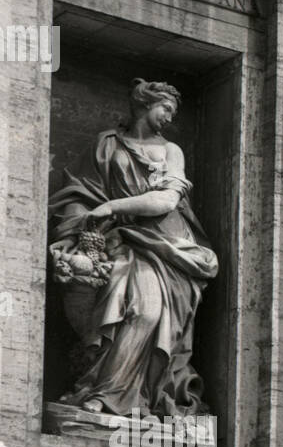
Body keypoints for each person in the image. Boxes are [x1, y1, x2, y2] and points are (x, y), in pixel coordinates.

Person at [49, 78, 218, 417]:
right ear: (144, 104)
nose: (169, 117)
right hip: (120, 242)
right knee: (121, 309)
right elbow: (81, 195)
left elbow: (166, 199)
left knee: (148, 312)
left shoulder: (171, 151)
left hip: (170, 249)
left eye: (173, 112)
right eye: (165, 109)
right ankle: (106, 395)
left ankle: (121, 396)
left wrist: (112, 207)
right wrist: (72, 235)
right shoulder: (106, 145)